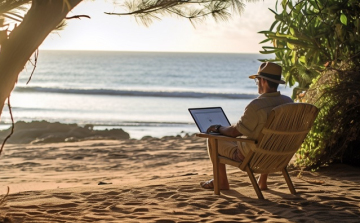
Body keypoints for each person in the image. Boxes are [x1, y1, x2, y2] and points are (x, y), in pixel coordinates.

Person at [200, 62, 293, 191]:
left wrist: (218, 128)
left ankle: (221, 182)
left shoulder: (257, 106)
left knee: (212, 138)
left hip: (251, 157)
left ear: (263, 81)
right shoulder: (288, 102)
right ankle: (262, 181)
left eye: (257, 80)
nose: (257, 84)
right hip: (278, 155)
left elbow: (234, 132)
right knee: (266, 137)